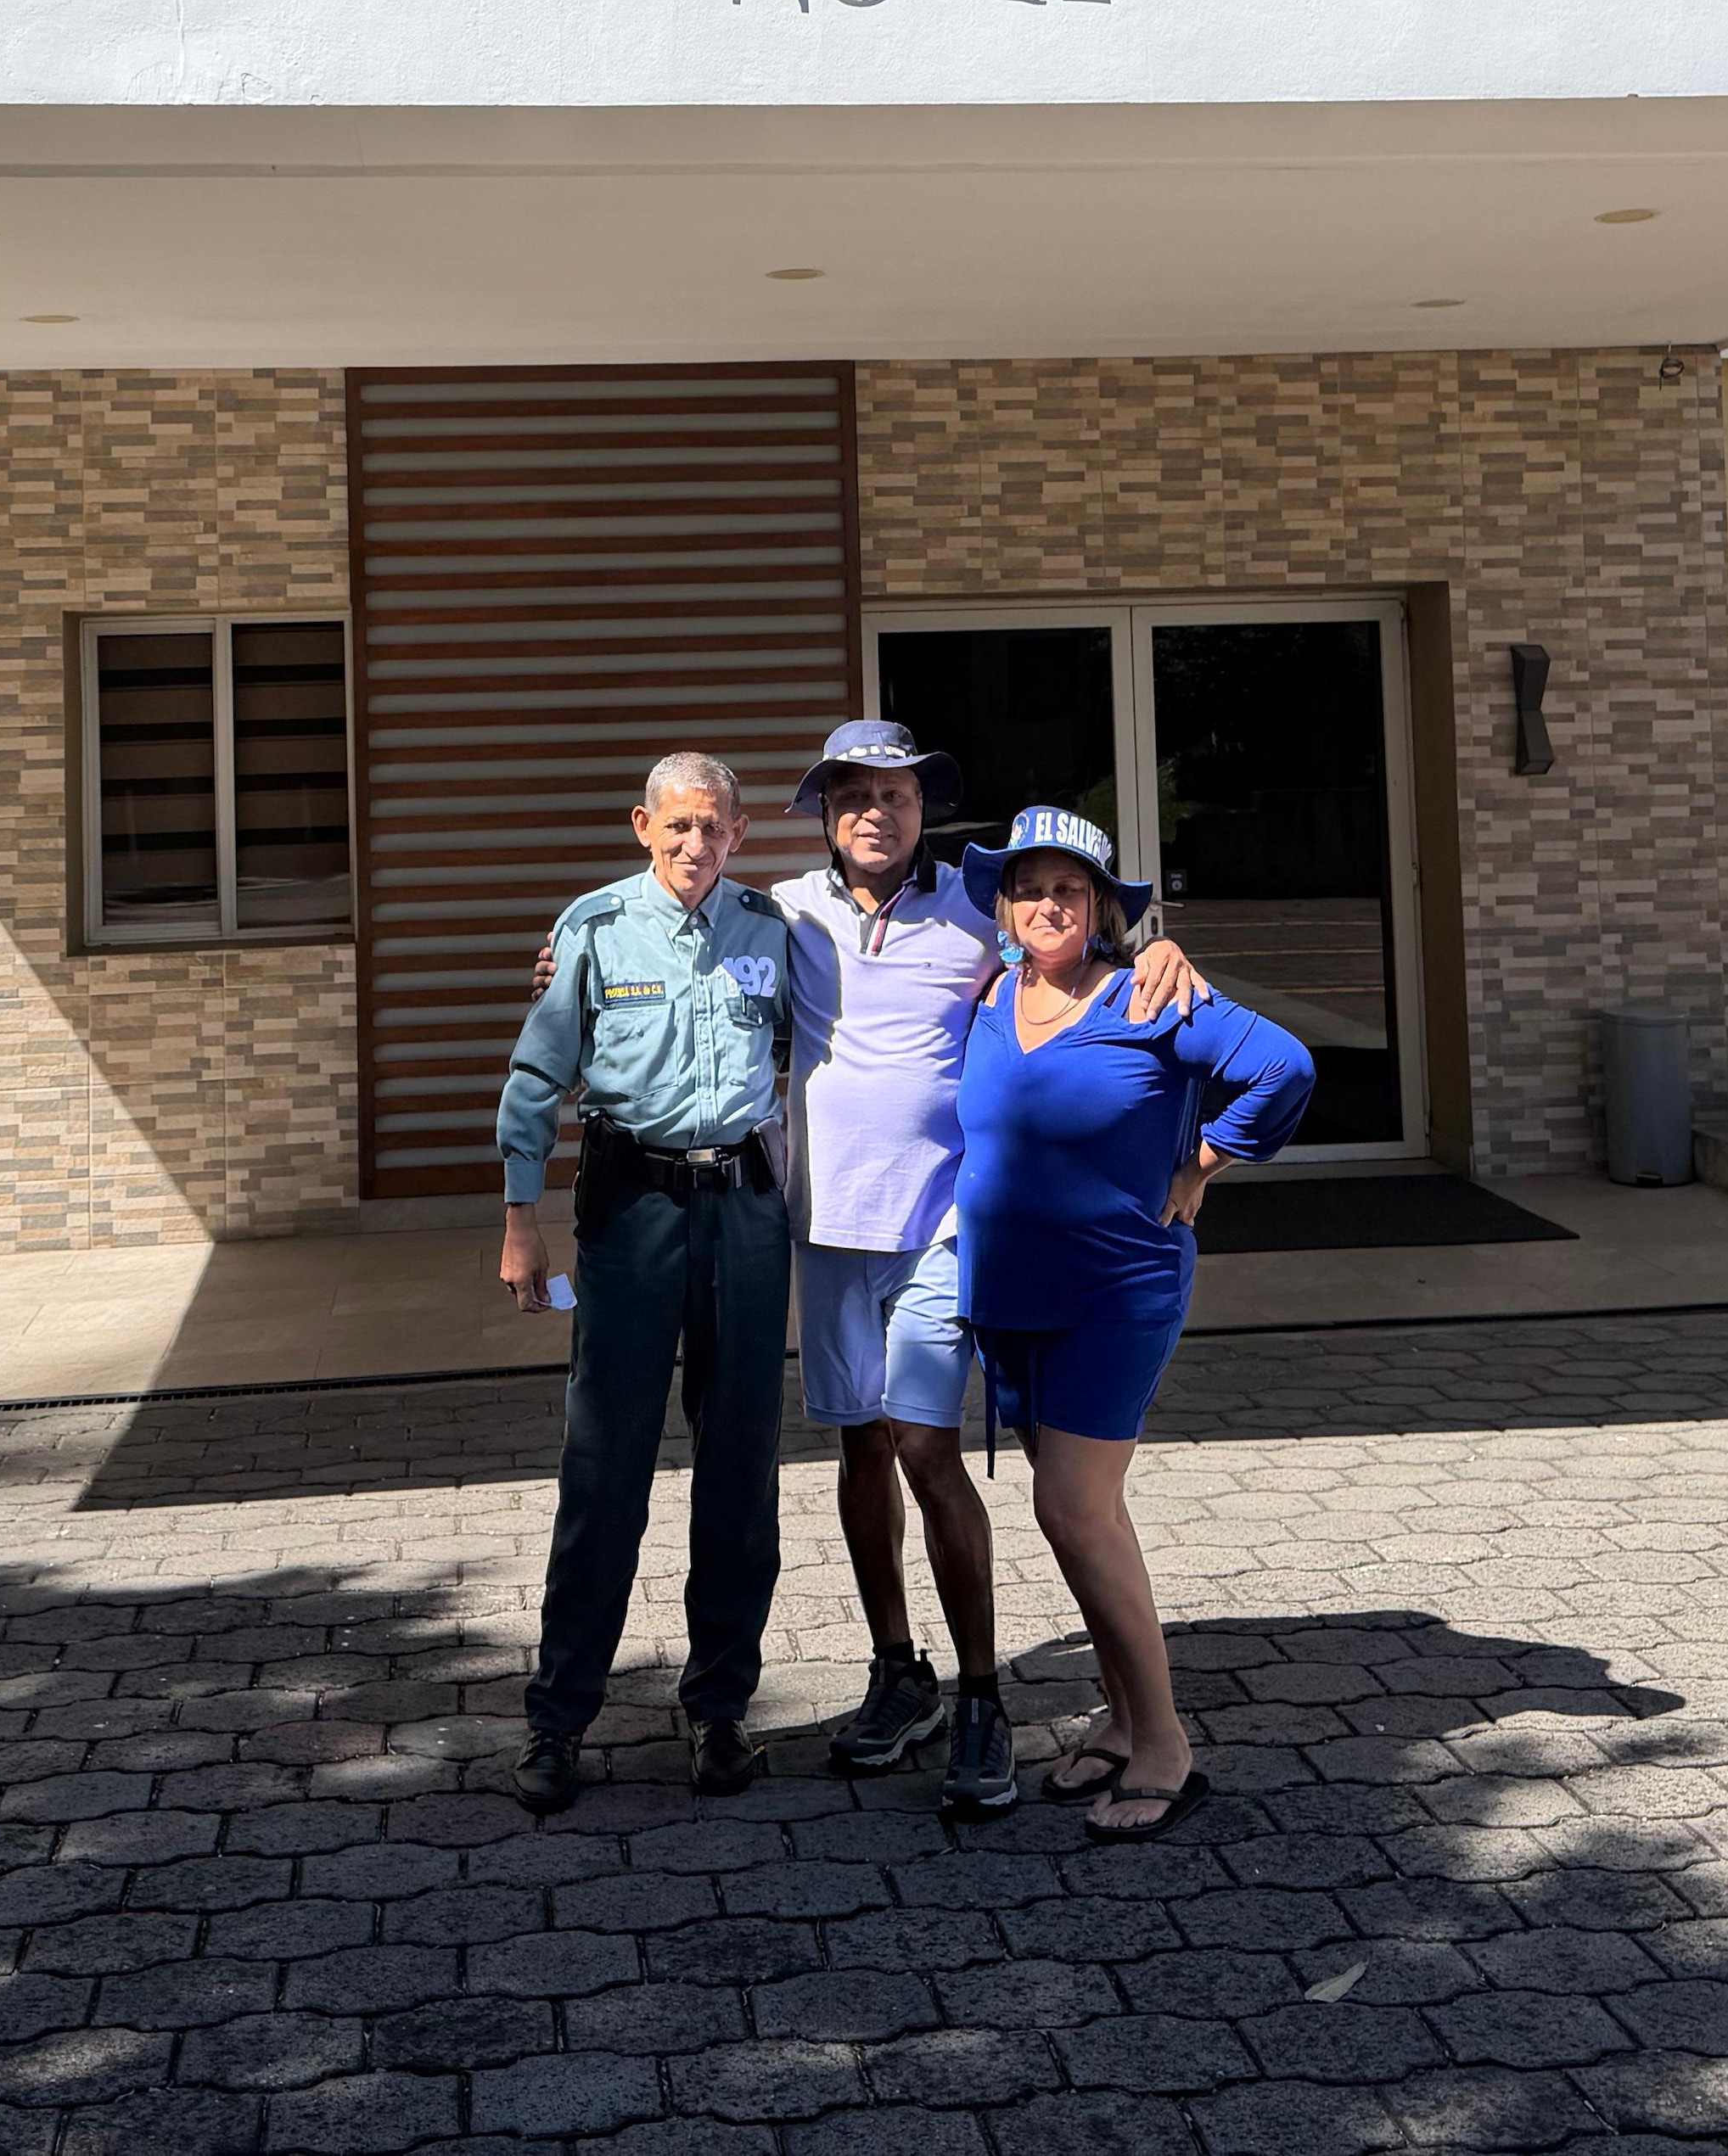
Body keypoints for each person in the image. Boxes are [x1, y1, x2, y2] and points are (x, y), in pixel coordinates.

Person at [766, 721, 1205, 1814]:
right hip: (826, 1226)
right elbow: (688, 954)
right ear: (825, 811)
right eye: (853, 794)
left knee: (924, 1445)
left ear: (923, 810)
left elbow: (1072, 956)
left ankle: (978, 1696)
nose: (876, 812)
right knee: (859, 1449)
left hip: (941, 1227)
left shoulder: (975, 909)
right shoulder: (783, 911)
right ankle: (897, 1671)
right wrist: (568, 965)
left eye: (897, 795)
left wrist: (1155, 951)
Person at [954, 803, 1314, 1840]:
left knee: (1072, 1509)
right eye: (1029, 889)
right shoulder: (987, 996)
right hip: (1011, 1294)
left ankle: (1162, 1744)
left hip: (1115, 1291)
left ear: (1102, 908)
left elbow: (1284, 1067)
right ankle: (1117, 1720)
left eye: (1068, 889)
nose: (1047, 905)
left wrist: (1202, 1162)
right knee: (1083, 1515)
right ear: (1004, 907)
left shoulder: (1147, 992)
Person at [495, 752, 794, 1815]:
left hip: (745, 1214)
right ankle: (558, 1718)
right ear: (642, 825)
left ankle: (720, 1709)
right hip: (629, 1214)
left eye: (712, 828)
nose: (693, 845)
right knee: (604, 1466)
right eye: (676, 826)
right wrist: (520, 1218)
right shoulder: (592, 928)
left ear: (738, 834)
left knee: (739, 1469)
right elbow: (536, 1076)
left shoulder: (771, 929)